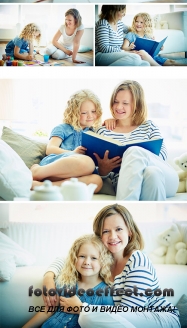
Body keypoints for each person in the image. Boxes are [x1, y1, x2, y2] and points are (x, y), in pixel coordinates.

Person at [42, 204, 180, 328]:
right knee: (88, 318)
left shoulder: (137, 260)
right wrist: (48, 278)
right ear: (99, 236)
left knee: (87, 317)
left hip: (159, 318)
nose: (113, 236)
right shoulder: (103, 258)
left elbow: (129, 312)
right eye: (106, 231)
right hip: (120, 321)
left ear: (129, 232)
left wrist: (81, 308)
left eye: (119, 229)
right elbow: (68, 259)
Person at [94, 80, 179, 200]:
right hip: (127, 182)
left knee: (134, 152)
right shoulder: (103, 130)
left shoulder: (149, 126)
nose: (118, 107)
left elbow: (162, 156)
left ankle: (123, 206)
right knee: (151, 173)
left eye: (125, 103)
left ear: (137, 105)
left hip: (166, 178)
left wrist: (136, 159)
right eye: (116, 102)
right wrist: (103, 170)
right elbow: (95, 166)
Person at [22, 234, 114, 328]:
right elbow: (47, 311)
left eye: (94, 258)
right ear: (74, 258)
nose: (86, 262)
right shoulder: (65, 282)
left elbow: (104, 322)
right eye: (82, 256)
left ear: (104, 261)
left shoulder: (106, 293)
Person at [31, 90, 102, 193]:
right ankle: (37, 171)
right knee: (88, 163)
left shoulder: (95, 132)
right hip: (53, 168)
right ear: (74, 113)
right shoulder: (63, 128)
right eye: (84, 113)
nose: (90, 116)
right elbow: (50, 149)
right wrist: (73, 153)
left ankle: (41, 186)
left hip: (75, 175)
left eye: (93, 111)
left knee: (97, 181)